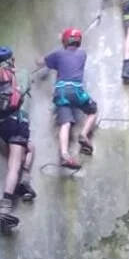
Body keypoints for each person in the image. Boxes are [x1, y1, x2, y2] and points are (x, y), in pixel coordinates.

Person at [0, 46, 36, 232]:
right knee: (14, 163)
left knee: (30, 148)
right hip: (18, 121)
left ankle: (25, 179)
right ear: (11, 59)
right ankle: (6, 206)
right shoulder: (22, 73)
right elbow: (27, 88)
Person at [43, 27, 99, 169]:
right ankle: (84, 134)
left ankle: (64, 155)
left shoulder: (57, 54)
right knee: (93, 110)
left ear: (64, 41)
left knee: (65, 123)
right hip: (76, 90)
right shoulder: (82, 54)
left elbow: (43, 62)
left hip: (61, 91)